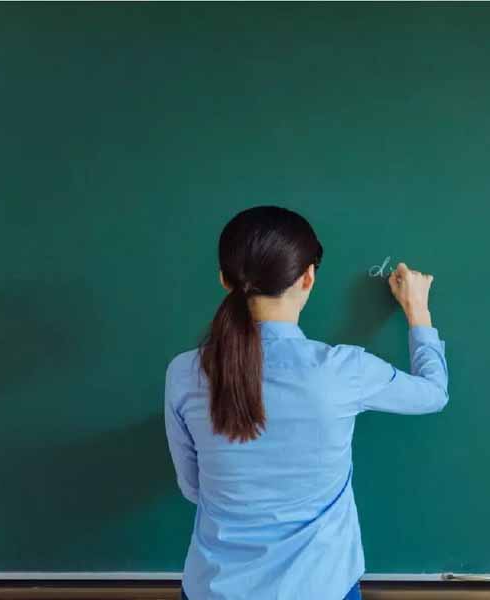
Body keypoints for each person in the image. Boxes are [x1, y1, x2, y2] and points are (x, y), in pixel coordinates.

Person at [164, 206, 449, 600]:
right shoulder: (343, 371)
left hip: (214, 589)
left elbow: (193, 487)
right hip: (321, 587)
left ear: (225, 280)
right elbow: (433, 393)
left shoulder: (184, 373)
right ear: (308, 277)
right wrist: (417, 309)